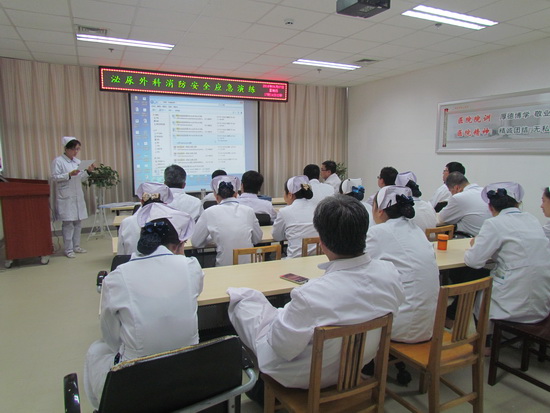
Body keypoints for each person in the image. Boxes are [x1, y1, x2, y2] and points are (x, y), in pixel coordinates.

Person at [228, 195, 404, 393]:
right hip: (356, 365)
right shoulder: (390, 273)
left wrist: (278, 315)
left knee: (244, 302)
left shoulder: (311, 295)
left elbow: (281, 346)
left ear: (322, 242)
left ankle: (257, 383)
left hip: (305, 376)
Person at [84, 203, 203, 409]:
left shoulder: (117, 278)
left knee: (96, 350)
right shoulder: (191, 267)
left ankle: (101, 407)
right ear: (177, 246)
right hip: (188, 370)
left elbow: (110, 334)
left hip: (138, 378)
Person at [464, 182, 550, 327]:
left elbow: (473, 261)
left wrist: (475, 244)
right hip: (541, 305)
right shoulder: (532, 219)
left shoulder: (493, 223)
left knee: (480, 295)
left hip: (511, 304)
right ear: (518, 204)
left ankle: (485, 340)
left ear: (490, 208)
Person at [367, 185, 439, 343]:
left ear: (380, 211)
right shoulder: (416, 230)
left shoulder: (379, 232)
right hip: (428, 325)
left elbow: (357, 263)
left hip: (400, 326)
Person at [191, 175, 262, 266]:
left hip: (224, 268)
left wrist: (212, 237)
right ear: (235, 195)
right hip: (249, 266)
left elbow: (196, 242)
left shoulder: (209, 212)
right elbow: (257, 239)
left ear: (216, 197)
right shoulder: (248, 211)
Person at [50, 136, 95, 258]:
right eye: (74, 149)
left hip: (77, 195)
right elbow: (54, 177)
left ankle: (76, 246)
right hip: (66, 196)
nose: (76, 152)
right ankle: (68, 249)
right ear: (67, 149)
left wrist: (88, 172)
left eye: (78, 149)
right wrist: (69, 174)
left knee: (78, 222)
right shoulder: (58, 161)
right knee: (68, 224)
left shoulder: (77, 162)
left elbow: (81, 178)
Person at [117, 182, 173, 256]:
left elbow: (121, 255)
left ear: (141, 200)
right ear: (165, 203)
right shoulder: (173, 222)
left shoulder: (126, 222)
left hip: (133, 263)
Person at [272, 175, 318, 258]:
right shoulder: (317, 208)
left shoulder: (284, 211)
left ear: (290, 195)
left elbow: (277, 236)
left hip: (295, 261)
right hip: (317, 259)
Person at [437, 172, 491, 237]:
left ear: (456, 188)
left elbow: (443, 218)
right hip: (489, 236)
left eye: (451, 191)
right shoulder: (485, 191)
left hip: (469, 237)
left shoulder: (459, 197)